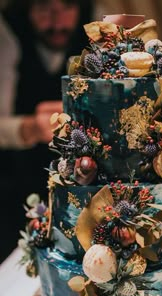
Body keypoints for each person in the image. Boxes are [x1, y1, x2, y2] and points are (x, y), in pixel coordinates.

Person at [0, 0, 93, 262]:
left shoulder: (95, 30)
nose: (57, 22)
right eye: (44, 8)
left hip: (82, 184)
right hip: (14, 184)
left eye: (67, 7)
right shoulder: (6, 35)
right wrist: (30, 128)